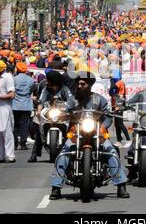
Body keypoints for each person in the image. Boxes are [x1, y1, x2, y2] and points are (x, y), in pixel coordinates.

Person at [49, 71, 130, 200]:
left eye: (83, 84)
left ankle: (121, 186)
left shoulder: (99, 99)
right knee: (63, 154)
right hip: (76, 133)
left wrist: (104, 125)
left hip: (97, 133)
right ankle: (56, 187)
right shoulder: (72, 99)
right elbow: (65, 110)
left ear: (90, 85)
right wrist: (61, 114)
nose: (80, 86)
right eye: (79, 84)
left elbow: (107, 115)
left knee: (111, 152)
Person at [28, 70, 74, 163]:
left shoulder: (64, 89)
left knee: (73, 127)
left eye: (48, 80)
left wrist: (68, 110)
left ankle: (72, 151)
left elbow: (70, 101)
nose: (47, 81)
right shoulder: (45, 89)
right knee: (37, 126)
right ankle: (34, 154)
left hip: (62, 113)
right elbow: (41, 101)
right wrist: (39, 111)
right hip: (48, 112)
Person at [12, 62, 35, 151]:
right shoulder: (31, 80)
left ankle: (14, 143)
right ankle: (23, 143)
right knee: (24, 125)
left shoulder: (14, 79)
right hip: (26, 105)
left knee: (15, 125)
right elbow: (32, 89)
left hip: (15, 105)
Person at [109, 70, 130, 148]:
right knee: (116, 124)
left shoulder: (119, 82)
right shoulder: (115, 82)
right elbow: (111, 92)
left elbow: (113, 87)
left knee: (120, 123)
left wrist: (111, 79)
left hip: (119, 105)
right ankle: (119, 141)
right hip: (115, 105)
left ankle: (128, 140)